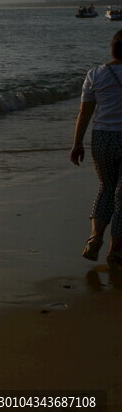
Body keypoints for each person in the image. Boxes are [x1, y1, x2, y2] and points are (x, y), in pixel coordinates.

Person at [71, 29, 122, 269]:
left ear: (112, 49)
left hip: (102, 138)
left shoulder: (95, 74)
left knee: (106, 187)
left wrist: (77, 143)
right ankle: (116, 251)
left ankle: (94, 238)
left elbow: (84, 113)